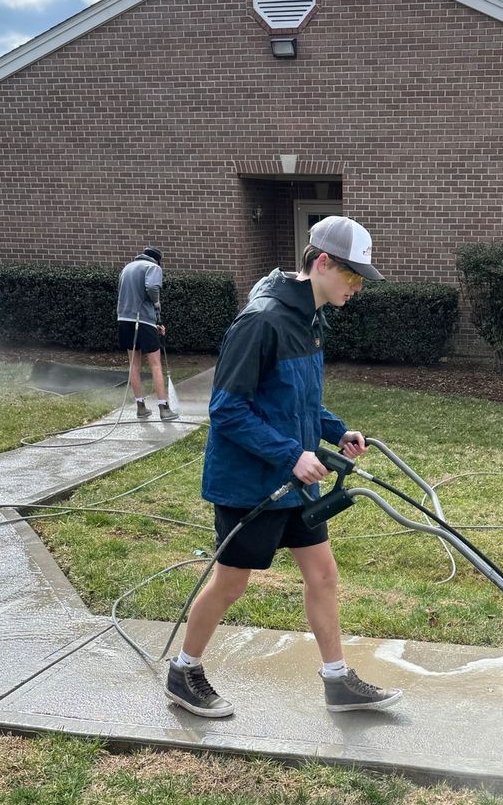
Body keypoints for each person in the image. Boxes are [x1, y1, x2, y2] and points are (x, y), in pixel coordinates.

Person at [165, 215, 402, 719]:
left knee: (323, 575)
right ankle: (184, 672)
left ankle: (337, 681)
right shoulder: (262, 322)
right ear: (321, 263)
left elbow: (298, 402)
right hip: (252, 484)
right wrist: (291, 454)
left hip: (297, 482)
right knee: (231, 583)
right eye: (353, 276)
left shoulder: (310, 319)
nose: (357, 288)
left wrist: (336, 431)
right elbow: (227, 409)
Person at [116, 245, 179, 421]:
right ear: (158, 259)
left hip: (124, 320)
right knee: (155, 364)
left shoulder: (127, 268)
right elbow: (151, 287)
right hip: (141, 320)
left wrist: (156, 322)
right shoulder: (153, 267)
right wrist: (156, 302)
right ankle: (164, 408)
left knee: (134, 364)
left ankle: (140, 407)